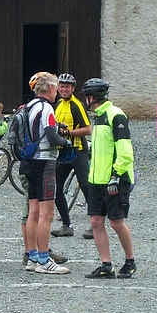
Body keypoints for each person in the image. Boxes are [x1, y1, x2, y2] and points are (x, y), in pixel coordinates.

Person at [80, 78, 136, 279]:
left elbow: (125, 150)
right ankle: (106, 265)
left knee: (116, 222)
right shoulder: (99, 117)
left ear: (92, 98)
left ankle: (130, 261)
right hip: (97, 180)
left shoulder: (116, 115)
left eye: (87, 97)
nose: (86, 101)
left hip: (114, 180)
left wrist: (116, 174)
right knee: (96, 221)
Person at [22, 72, 72, 274]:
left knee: (33, 211)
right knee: (47, 213)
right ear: (50, 88)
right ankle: (44, 260)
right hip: (45, 162)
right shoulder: (46, 108)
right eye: (57, 88)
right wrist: (65, 142)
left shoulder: (29, 106)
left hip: (29, 161)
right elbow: (51, 135)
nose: (57, 92)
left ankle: (32, 257)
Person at [51, 73, 93, 239]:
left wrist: (68, 132)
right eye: (61, 86)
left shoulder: (77, 105)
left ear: (73, 89)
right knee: (56, 188)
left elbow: (88, 129)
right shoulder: (59, 104)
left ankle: (95, 225)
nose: (64, 89)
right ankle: (67, 226)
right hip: (63, 152)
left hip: (78, 150)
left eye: (67, 87)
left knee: (86, 186)